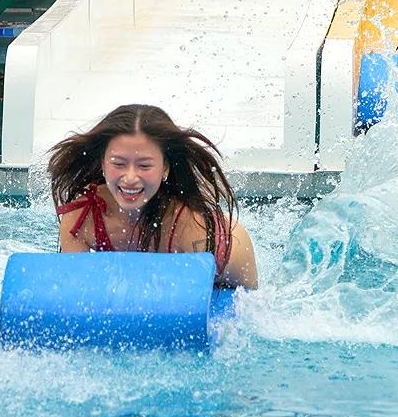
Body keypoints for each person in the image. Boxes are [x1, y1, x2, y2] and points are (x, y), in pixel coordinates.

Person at [48, 103, 259, 289]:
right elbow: (76, 297)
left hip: (231, 256)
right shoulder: (81, 219)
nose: (130, 178)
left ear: (165, 168)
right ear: (102, 163)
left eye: (144, 166)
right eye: (118, 163)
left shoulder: (195, 230)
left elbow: (250, 309)